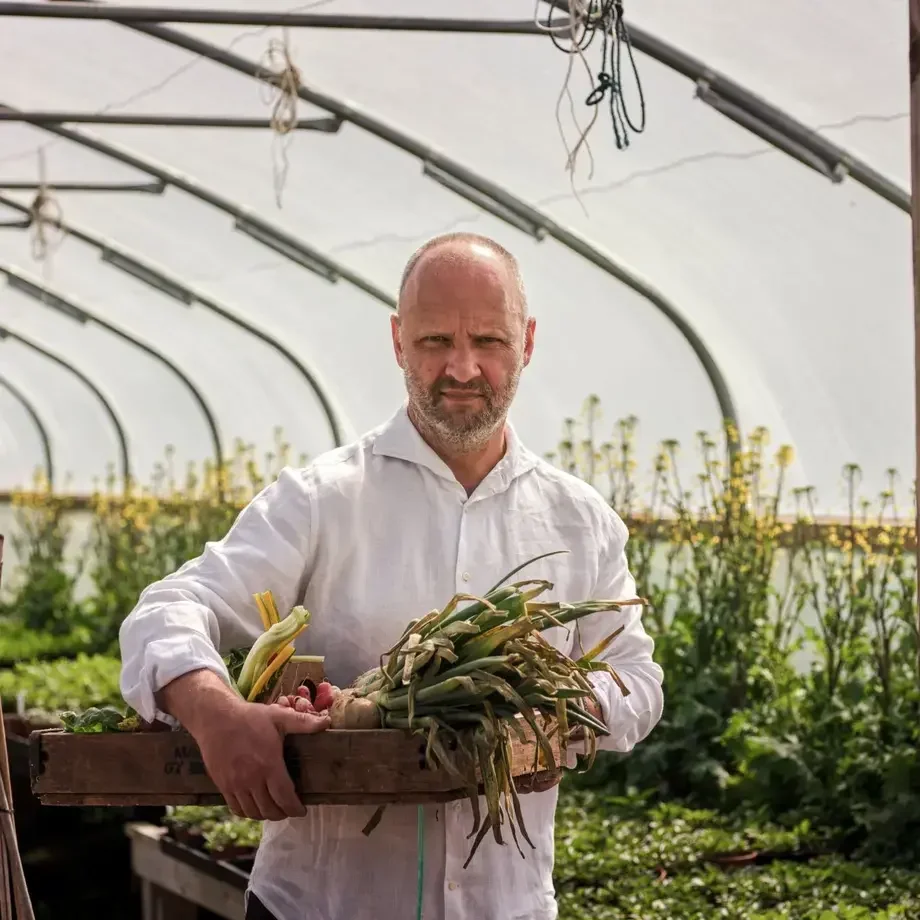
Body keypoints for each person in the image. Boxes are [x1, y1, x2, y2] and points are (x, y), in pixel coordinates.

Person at [118, 232, 664, 920]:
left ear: (527, 342)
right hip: (320, 905)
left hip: (506, 907)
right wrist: (213, 710)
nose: (463, 368)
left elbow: (638, 683)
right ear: (398, 341)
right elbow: (170, 607)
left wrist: (546, 712)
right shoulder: (323, 499)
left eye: (488, 342)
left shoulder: (577, 520)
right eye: (436, 341)